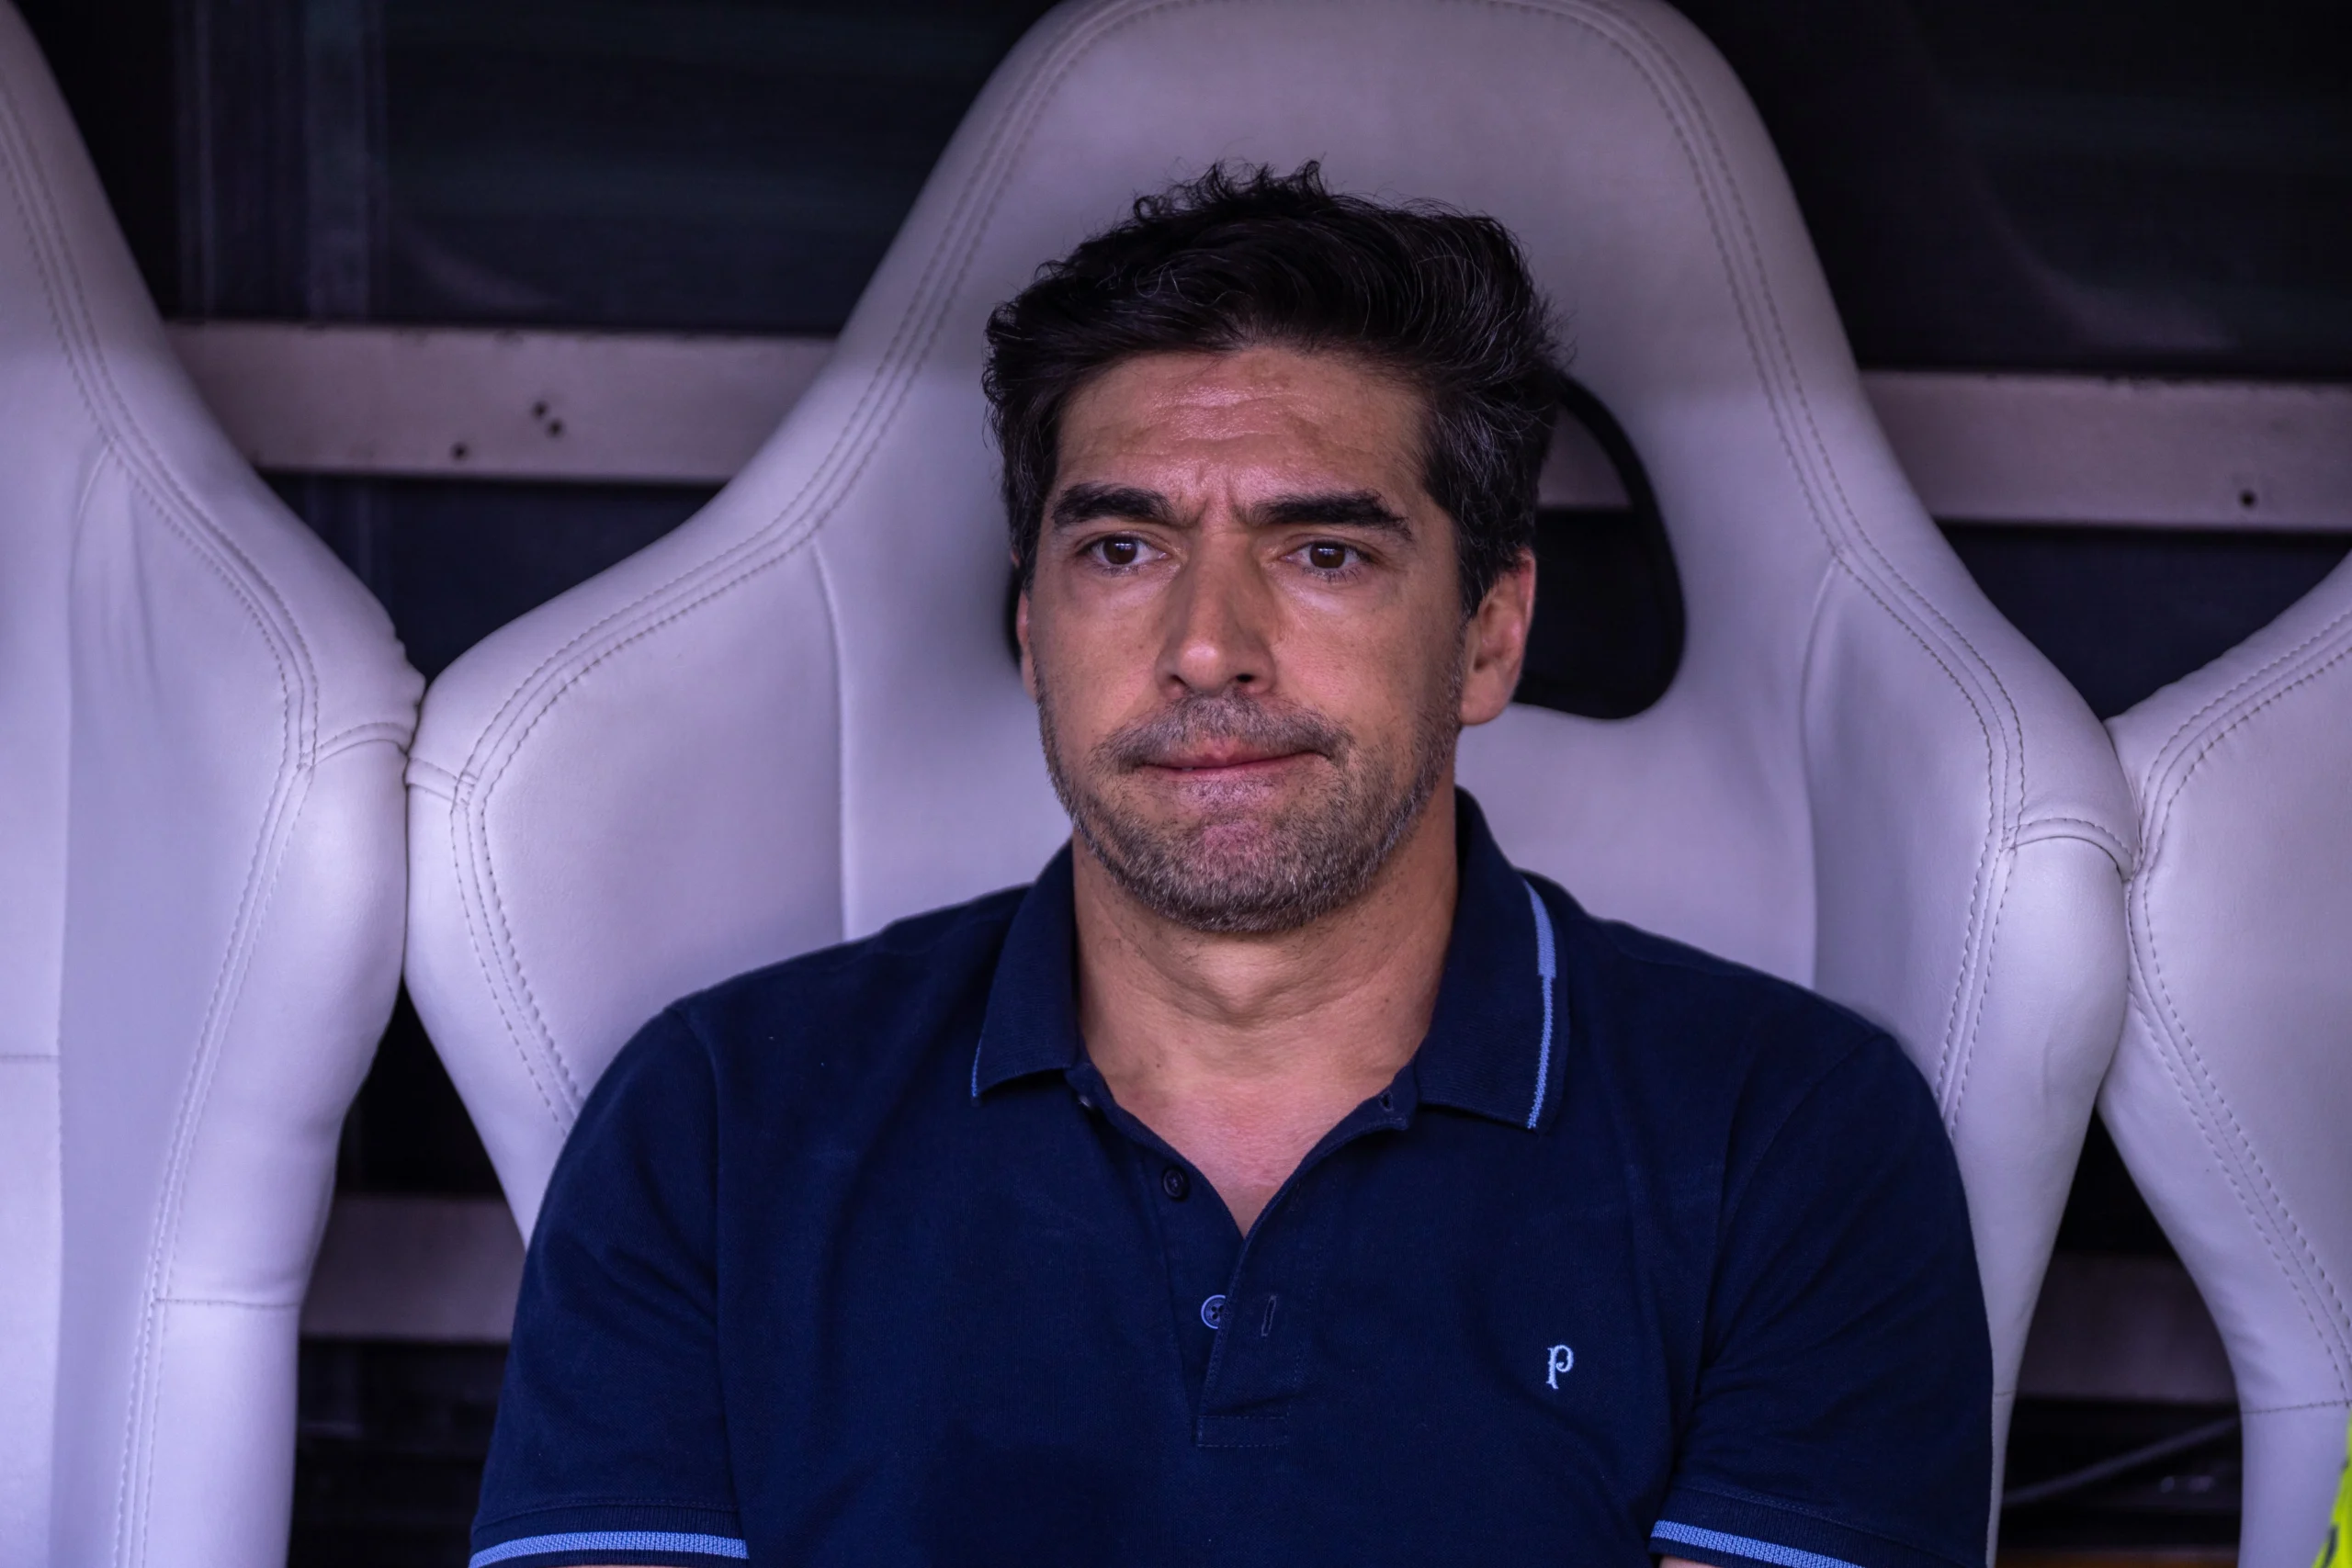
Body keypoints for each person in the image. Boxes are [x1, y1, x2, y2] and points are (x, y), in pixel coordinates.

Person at [469, 164, 1991, 1568]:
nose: (1207, 645)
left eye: (1323, 551)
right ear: (1032, 628)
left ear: (1489, 633)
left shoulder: (1788, 1138)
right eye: (1122, 549)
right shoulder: (719, 1122)